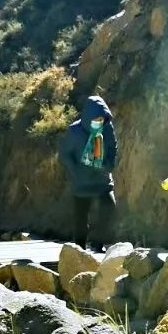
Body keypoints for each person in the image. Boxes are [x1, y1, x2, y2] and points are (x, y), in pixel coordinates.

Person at [57, 95, 117, 250]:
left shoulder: (107, 127)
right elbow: (64, 154)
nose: (99, 120)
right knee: (80, 218)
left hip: (102, 179)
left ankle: (98, 244)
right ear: (88, 116)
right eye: (96, 117)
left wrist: (109, 164)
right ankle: (80, 248)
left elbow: (112, 147)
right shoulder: (74, 131)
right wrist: (75, 170)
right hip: (82, 181)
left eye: (101, 117)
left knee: (109, 208)